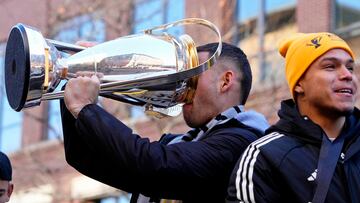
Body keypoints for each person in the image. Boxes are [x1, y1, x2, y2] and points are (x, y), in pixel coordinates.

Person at [60, 42, 269, 203]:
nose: (181, 86)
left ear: (225, 81)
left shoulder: (242, 143)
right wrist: (73, 78)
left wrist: (87, 109)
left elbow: (154, 164)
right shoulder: (176, 143)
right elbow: (85, 157)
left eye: (192, 76)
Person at [227, 32, 360, 203]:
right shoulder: (265, 156)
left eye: (350, 67)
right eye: (330, 66)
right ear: (298, 84)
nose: (347, 75)